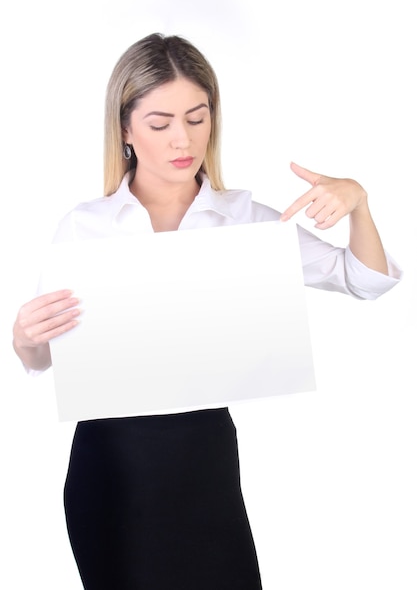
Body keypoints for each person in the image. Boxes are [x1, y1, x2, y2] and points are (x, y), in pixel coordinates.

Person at [12, 33, 402, 589]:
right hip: (112, 468)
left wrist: (359, 202)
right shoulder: (84, 225)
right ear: (124, 128)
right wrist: (24, 335)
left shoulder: (246, 222)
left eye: (197, 118)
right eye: (160, 122)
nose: (182, 139)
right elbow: (44, 354)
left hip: (204, 463)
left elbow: (364, 280)